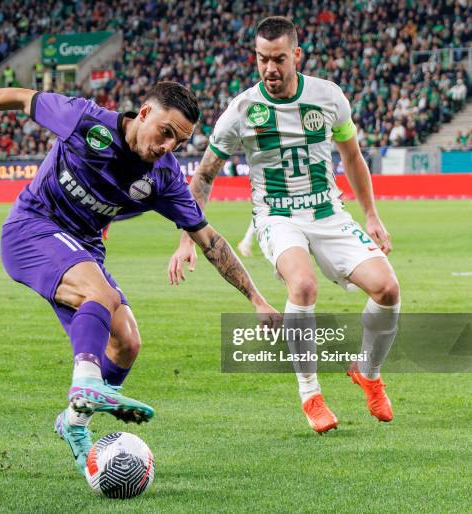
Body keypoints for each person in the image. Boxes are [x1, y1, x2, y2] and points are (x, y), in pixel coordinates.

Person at [0, 81, 279, 472]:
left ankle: (74, 422)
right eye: (166, 133)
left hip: (83, 249)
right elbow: (19, 96)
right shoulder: (83, 119)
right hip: (32, 227)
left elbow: (209, 239)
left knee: (127, 342)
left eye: (179, 142)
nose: (169, 146)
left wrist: (255, 298)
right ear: (145, 114)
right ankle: (85, 384)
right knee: (100, 294)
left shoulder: (163, 178)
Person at [169, 17, 400, 434]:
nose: (270, 69)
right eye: (262, 59)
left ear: (296, 55)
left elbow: (352, 157)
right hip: (277, 216)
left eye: (278, 59)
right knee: (303, 285)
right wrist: (187, 237)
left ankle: (368, 371)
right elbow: (203, 176)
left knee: (388, 290)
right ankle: (310, 394)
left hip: (328, 213)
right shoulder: (240, 112)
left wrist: (371, 215)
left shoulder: (328, 97)